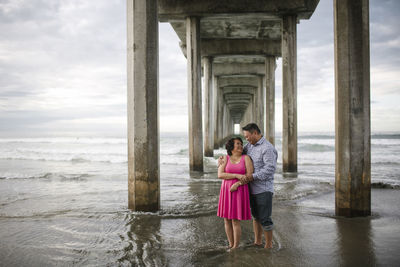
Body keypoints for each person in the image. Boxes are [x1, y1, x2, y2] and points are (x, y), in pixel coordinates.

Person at [219, 123, 278, 249]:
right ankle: (257, 242)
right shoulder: (249, 146)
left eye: (247, 136)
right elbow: (234, 155)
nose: (246, 139)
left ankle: (268, 245)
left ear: (255, 133)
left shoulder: (267, 148)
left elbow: (270, 169)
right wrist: (220, 160)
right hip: (250, 188)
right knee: (256, 217)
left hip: (263, 188)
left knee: (265, 218)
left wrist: (252, 177)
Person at [217, 137, 254, 250]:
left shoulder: (246, 158)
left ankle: (235, 246)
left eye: (241, 144)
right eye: (238, 144)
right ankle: (230, 243)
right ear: (231, 146)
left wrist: (237, 183)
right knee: (226, 219)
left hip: (240, 190)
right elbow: (220, 175)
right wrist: (237, 175)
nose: (241, 146)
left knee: (235, 220)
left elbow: (249, 176)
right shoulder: (225, 158)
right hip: (226, 191)